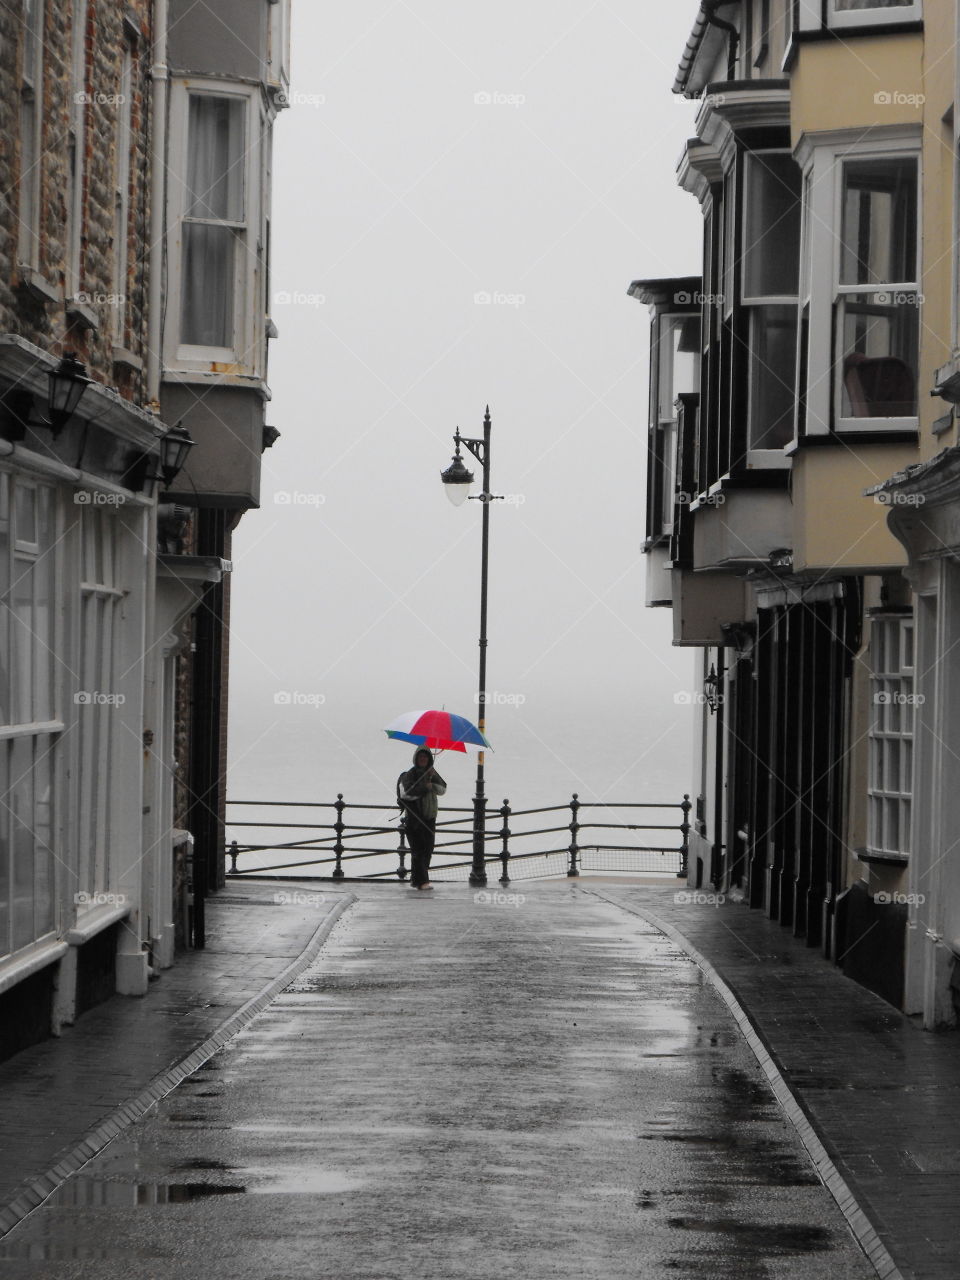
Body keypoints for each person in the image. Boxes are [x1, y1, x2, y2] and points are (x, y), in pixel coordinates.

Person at [398, 747, 447, 890]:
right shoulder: (410, 774)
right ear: (416, 758)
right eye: (421, 757)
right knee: (418, 849)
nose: (423, 759)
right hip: (415, 818)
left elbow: (443, 789)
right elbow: (406, 793)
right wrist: (424, 788)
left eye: (426, 757)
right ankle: (423, 882)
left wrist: (432, 782)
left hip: (430, 818)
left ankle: (416, 880)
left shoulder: (432, 772)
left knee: (428, 848)